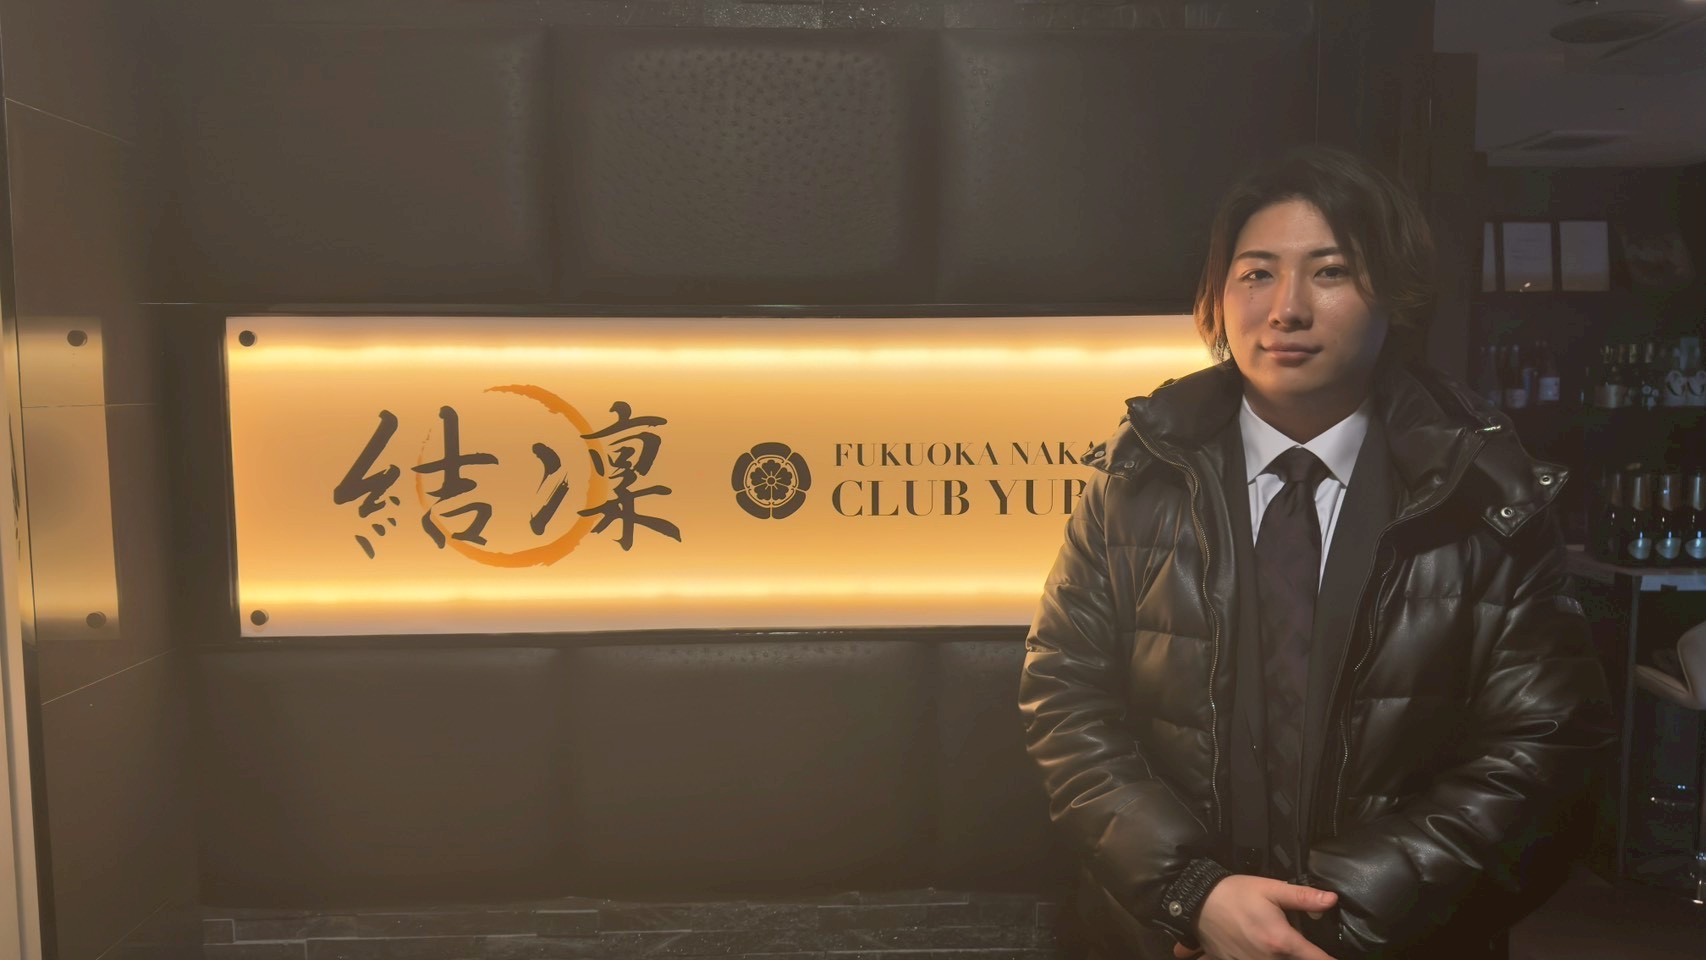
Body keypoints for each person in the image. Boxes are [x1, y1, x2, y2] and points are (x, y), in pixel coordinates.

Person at [1019, 146, 1614, 960]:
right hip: (1172, 937)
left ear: (1394, 294)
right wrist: (1192, 894)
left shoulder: (1485, 495)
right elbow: (1066, 698)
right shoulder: (1137, 477)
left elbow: (1543, 745)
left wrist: (1326, 923)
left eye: (1330, 272)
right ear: (1219, 296)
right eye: (1256, 274)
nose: (1286, 309)